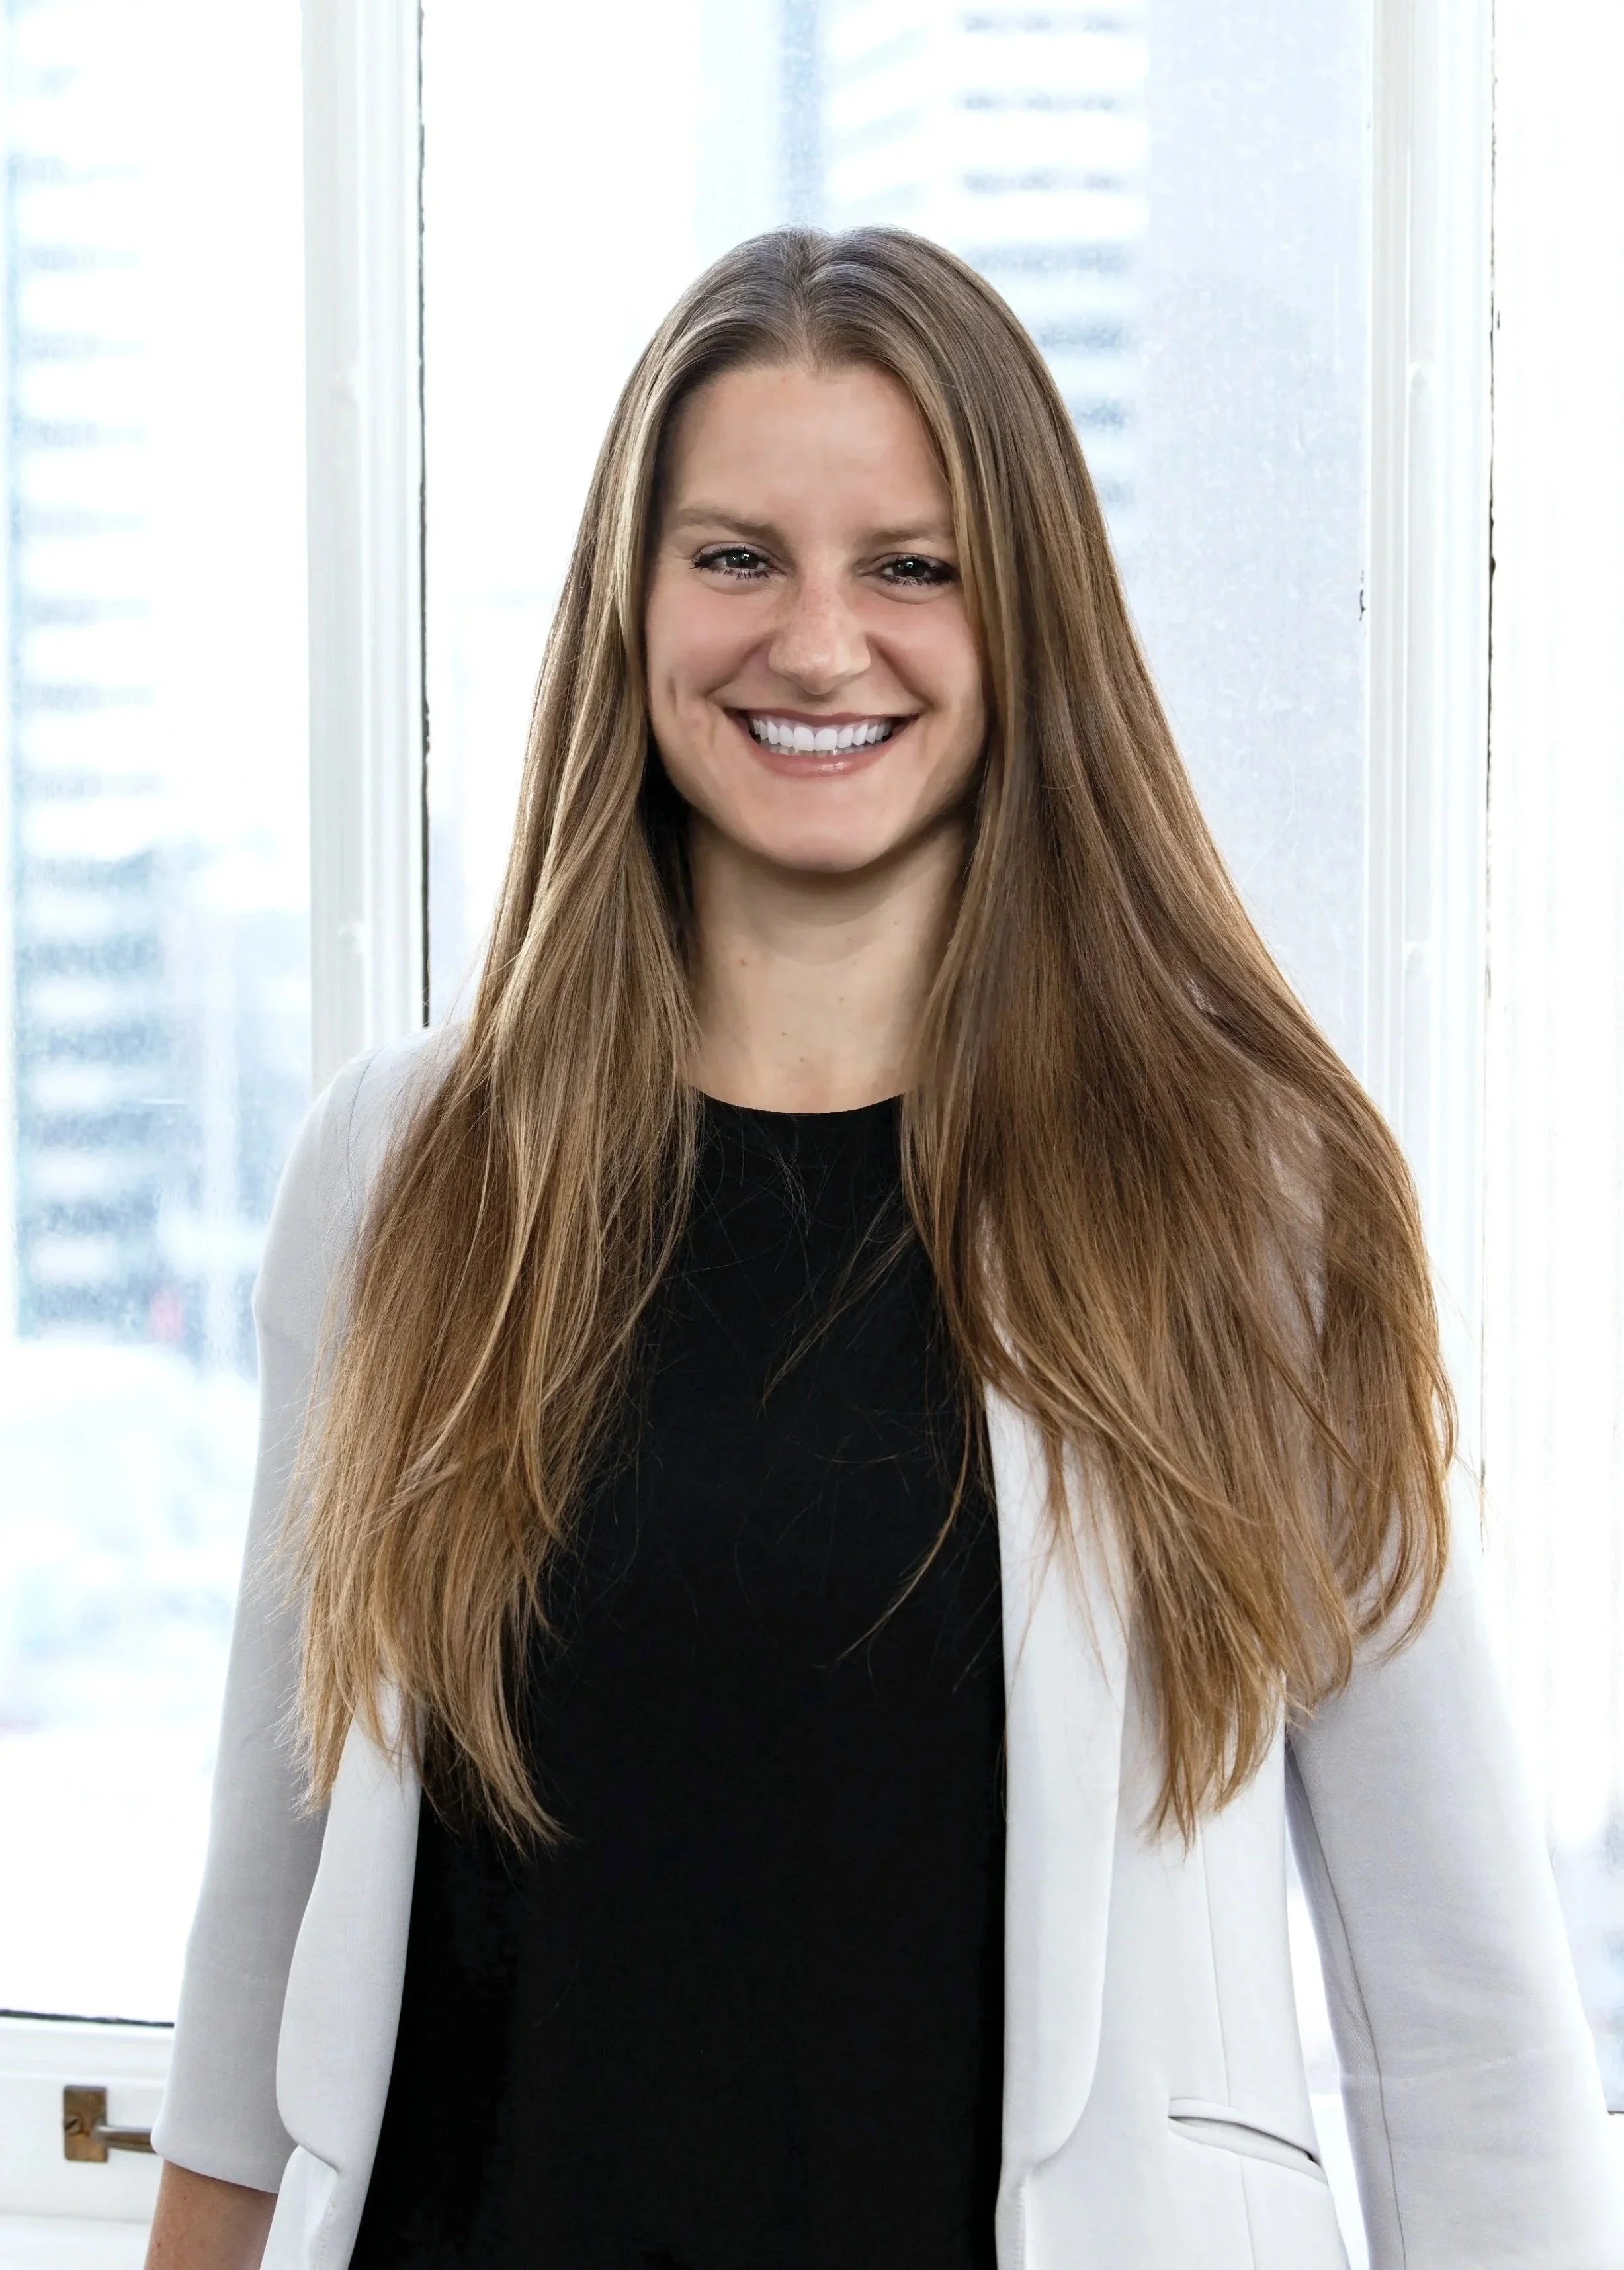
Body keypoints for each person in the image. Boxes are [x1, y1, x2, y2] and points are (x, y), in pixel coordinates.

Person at [143, 228, 1621, 2270]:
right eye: (735, 557)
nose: (818, 642)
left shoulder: (1245, 1201)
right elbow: (273, 1910)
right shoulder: (403, 1174)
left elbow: (1459, 2020)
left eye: (910, 566)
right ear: (629, 606)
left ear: (1028, 617)